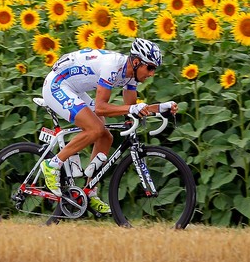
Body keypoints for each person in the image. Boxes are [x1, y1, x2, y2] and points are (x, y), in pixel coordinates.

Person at [40, 38, 178, 214]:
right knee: (95, 129)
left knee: (106, 137)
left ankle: (89, 192)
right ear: (136, 62)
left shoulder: (131, 76)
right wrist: (134, 108)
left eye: (154, 69)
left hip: (74, 89)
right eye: (150, 67)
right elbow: (101, 107)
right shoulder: (112, 67)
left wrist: (159, 108)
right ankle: (53, 164)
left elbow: (131, 111)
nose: (152, 73)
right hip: (57, 85)